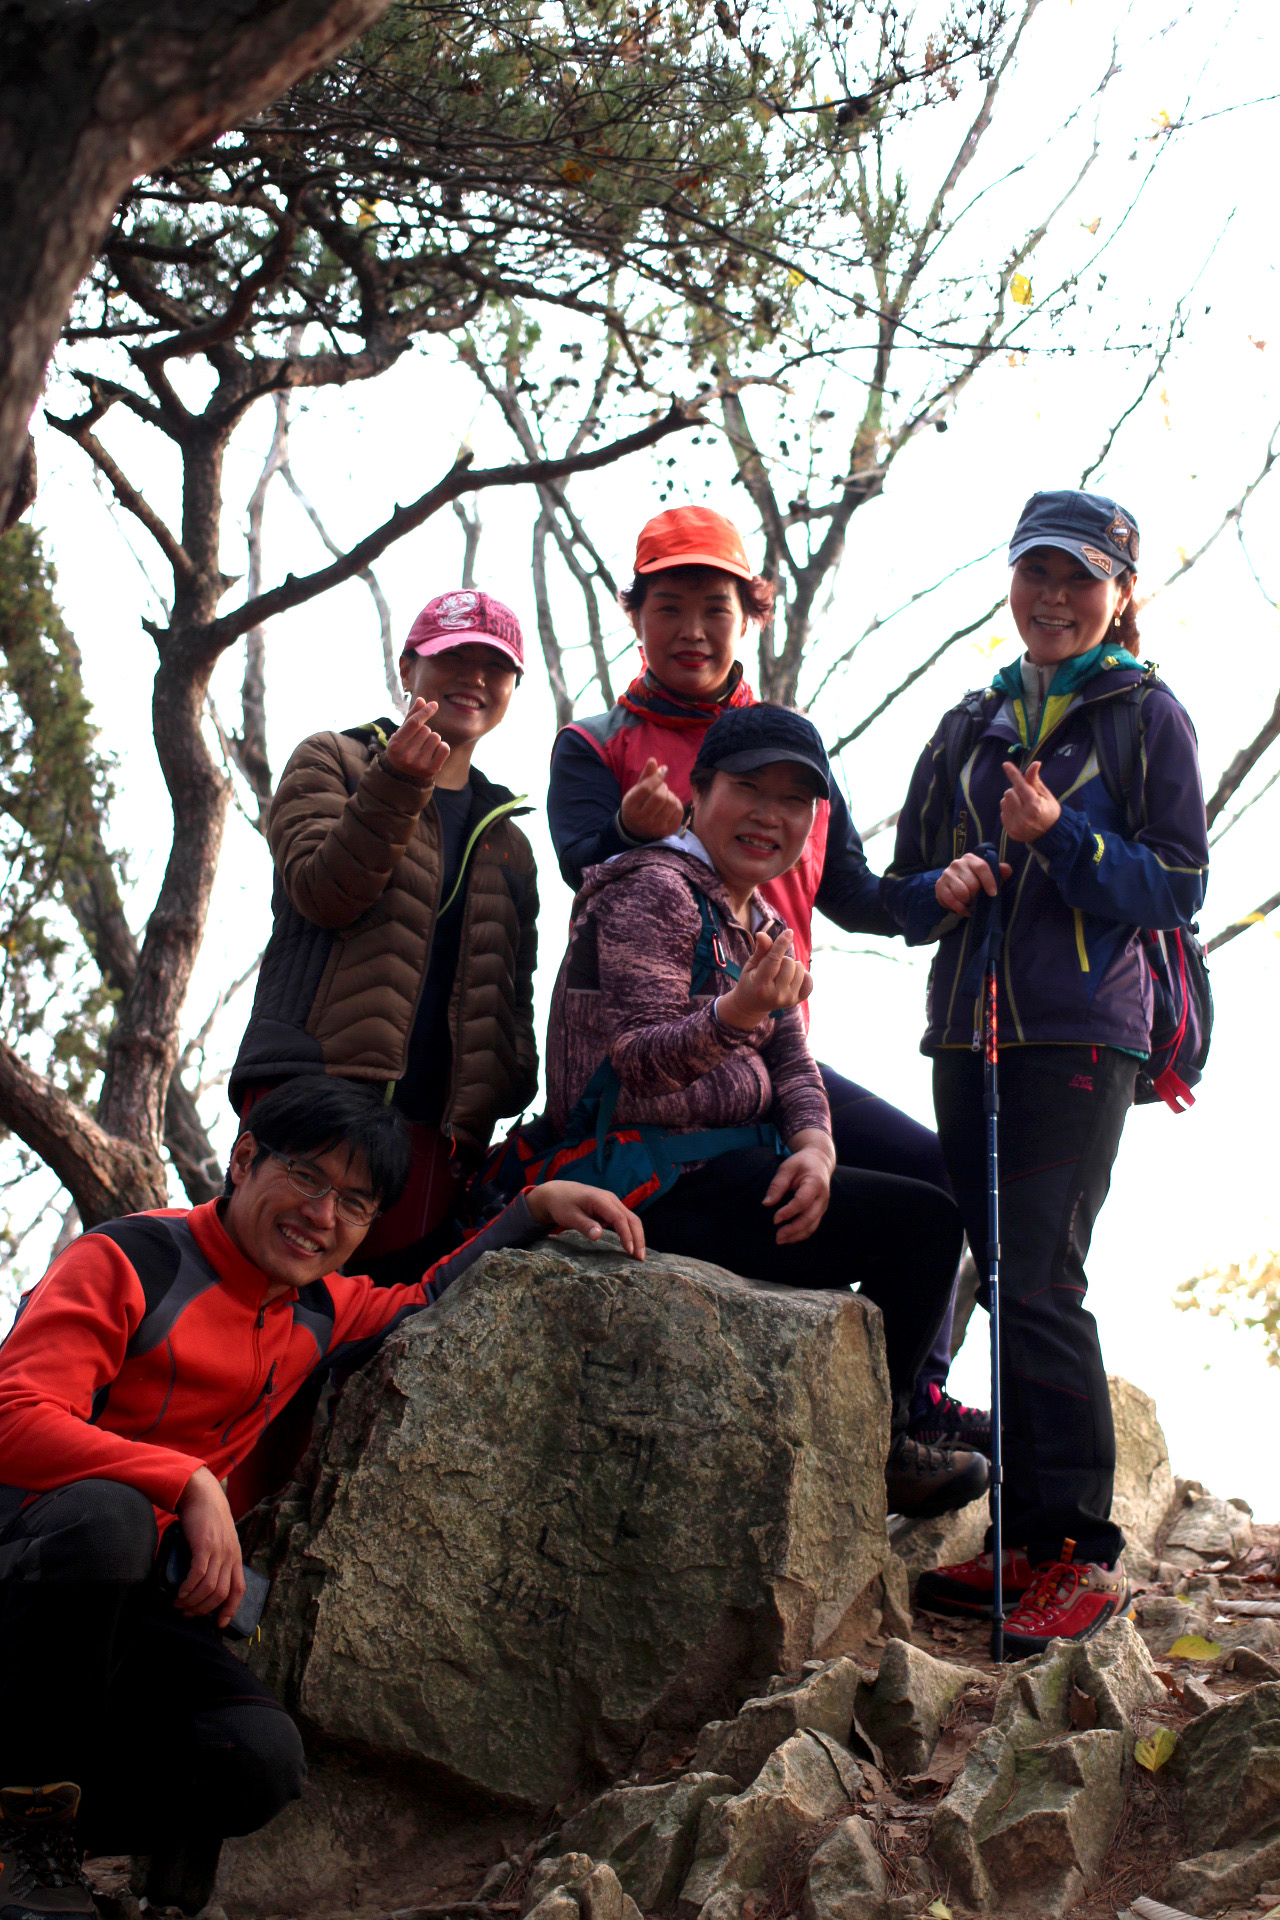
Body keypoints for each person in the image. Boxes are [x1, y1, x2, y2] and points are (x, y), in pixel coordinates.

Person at [0, 1079, 643, 1920]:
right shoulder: (131, 1259)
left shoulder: (317, 1308)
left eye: (355, 1202)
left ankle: (48, 1831)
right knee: (110, 1521)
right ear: (244, 1159)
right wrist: (184, 1479)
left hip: (142, 1608)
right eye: (306, 1176)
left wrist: (534, 1206)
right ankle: (28, 1841)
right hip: (36, 1569)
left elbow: (425, 1298)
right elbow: (14, 1417)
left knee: (258, 1761)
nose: (322, 1214)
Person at [547, 506, 989, 1456]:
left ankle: (915, 1395)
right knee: (902, 1215)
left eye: (716, 607)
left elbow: (858, 893)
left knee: (939, 1176)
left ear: (750, 614)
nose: (693, 630)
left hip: (762, 1046)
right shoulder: (600, 748)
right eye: (670, 607)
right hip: (666, 1096)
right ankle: (889, 1430)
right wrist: (631, 834)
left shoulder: (792, 759)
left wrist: (942, 895)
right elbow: (589, 875)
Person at [884, 489, 1209, 1654]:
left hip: (1080, 1035)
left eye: (1080, 577)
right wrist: (942, 886)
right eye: (1037, 572)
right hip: (964, 1033)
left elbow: (1176, 885)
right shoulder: (969, 723)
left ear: (1120, 593)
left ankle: (1079, 1554)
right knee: (1003, 1275)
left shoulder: (1144, 715)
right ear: (1011, 580)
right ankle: (1023, 1543)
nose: (1054, 597)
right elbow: (899, 886)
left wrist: (1057, 837)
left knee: (1037, 1279)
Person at [230, 589, 538, 1285]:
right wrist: (397, 782)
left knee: (393, 1317)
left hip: (435, 1134)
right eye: (453, 657)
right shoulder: (334, 761)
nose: (474, 678)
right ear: (407, 668)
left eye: (496, 667)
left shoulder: (508, 839)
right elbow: (322, 890)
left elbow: (511, 998)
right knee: (264, 1290)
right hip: (311, 1085)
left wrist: (497, 1099)